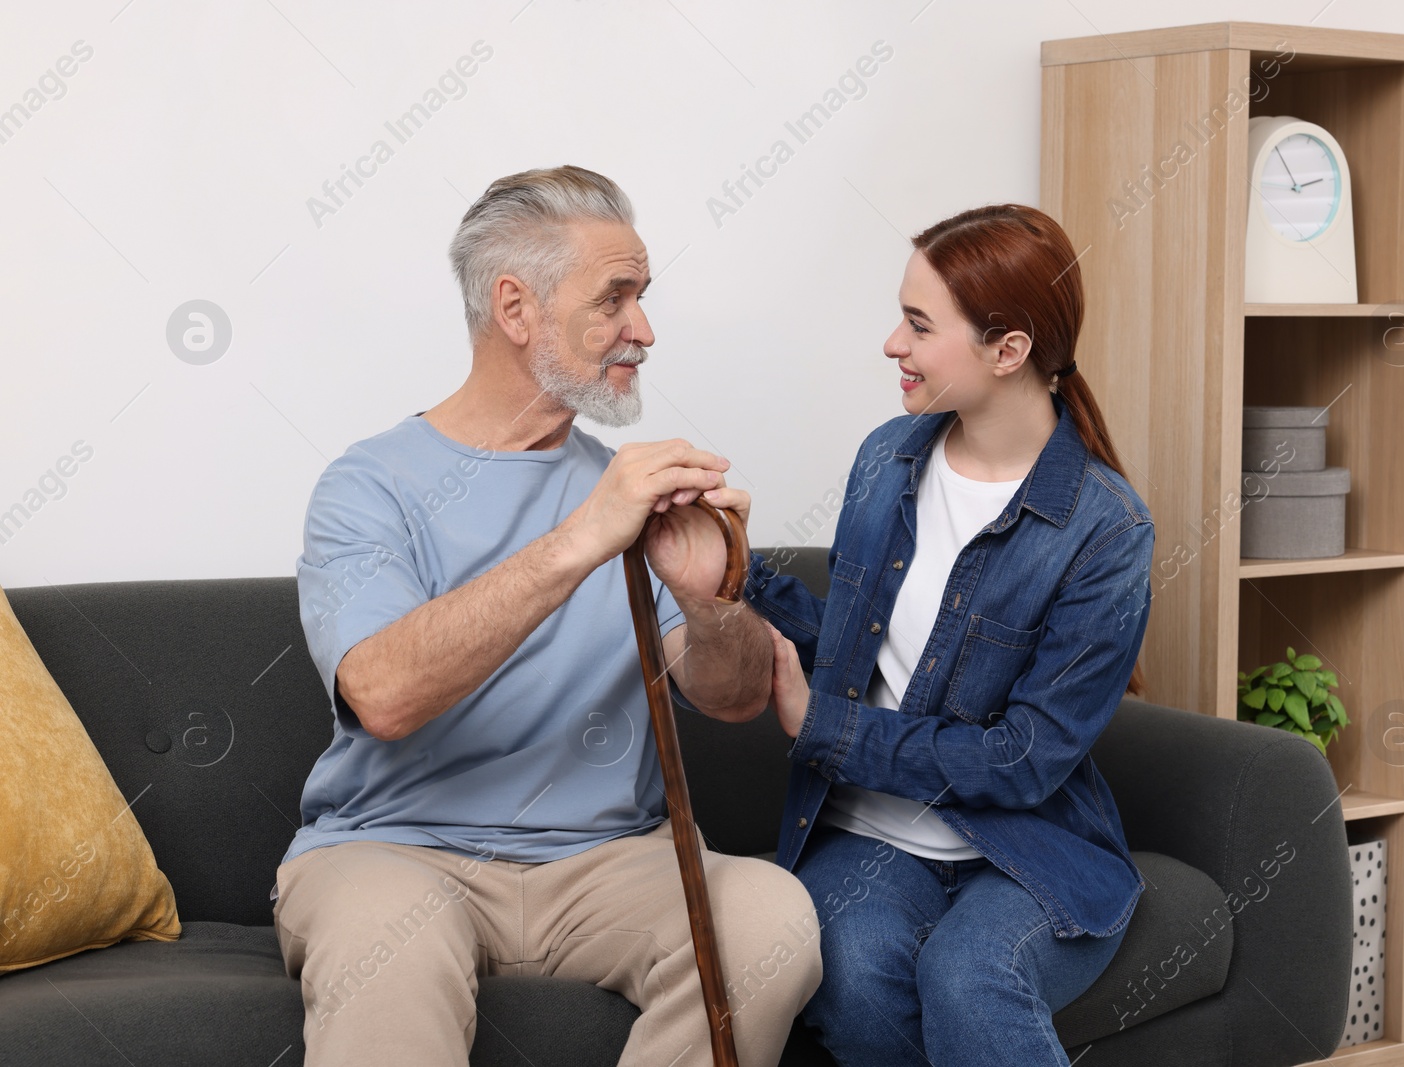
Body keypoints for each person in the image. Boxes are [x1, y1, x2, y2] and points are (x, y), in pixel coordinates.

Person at [273, 165, 821, 1067]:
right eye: (615, 298)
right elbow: (383, 693)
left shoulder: (627, 492)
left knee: (768, 919)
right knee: (389, 955)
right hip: (398, 850)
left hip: (610, 860)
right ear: (515, 307)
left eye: (642, 297)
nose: (643, 330)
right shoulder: (370, 485)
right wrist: (581, 539)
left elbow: (726, 698)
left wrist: (706, 598)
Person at [746, 204, 1155, 1066]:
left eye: (919, 324)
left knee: (970, 974)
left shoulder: (1105, 528)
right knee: (854, 973)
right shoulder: (886, 457)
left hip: (1026, 850)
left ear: (1008, 351)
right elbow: (863, 656)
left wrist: (824, 726)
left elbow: (1027, 757)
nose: (893, 342)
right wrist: (736, 571)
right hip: (866, 835)